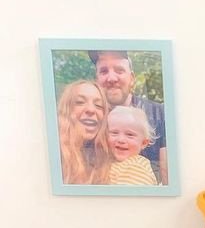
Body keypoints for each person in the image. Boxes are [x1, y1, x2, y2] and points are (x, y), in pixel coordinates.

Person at [89, 50, 167, 183]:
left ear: (131, 78)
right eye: (104, 71)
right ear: (97, 80)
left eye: (119, 70)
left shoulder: (159, 113)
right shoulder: (90, 118)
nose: (111, 78)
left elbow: (168, 180)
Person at [57, 80, 110, 184]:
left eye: (99, 105)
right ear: (66, 110)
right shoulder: (52, 157)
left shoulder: (110, 164)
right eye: (80, 102)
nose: (91, 109)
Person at [107, 106, 158, 186]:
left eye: (129, 134)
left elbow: (130, 198)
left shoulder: (135, 168)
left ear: (143, 143)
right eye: (114, 133)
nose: (121, 140)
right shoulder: (113, 162)